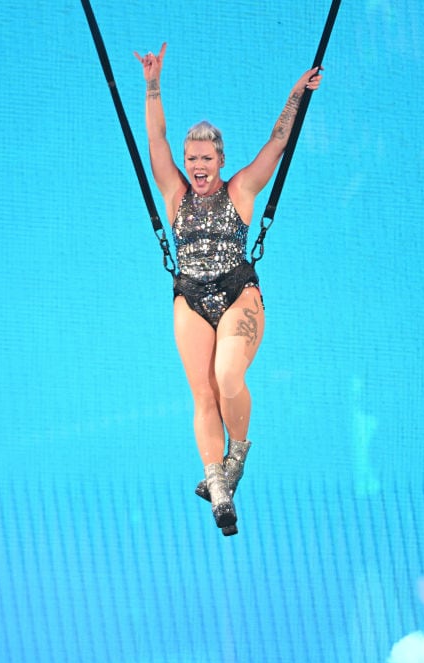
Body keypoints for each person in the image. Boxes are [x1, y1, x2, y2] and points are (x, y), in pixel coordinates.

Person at [134, 43, 322, 536]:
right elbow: (155, 139)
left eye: (206, 157)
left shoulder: (240, 190)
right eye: (191, 158)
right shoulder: (174, 192)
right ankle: (218, 485)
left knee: (228, 376)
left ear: (220, 160)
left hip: (238, 292)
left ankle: (236, 456)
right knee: (203, 393)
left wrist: (296, 95)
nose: (197, 165)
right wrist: (152, 85)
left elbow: (277, 144)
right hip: (190, 297)